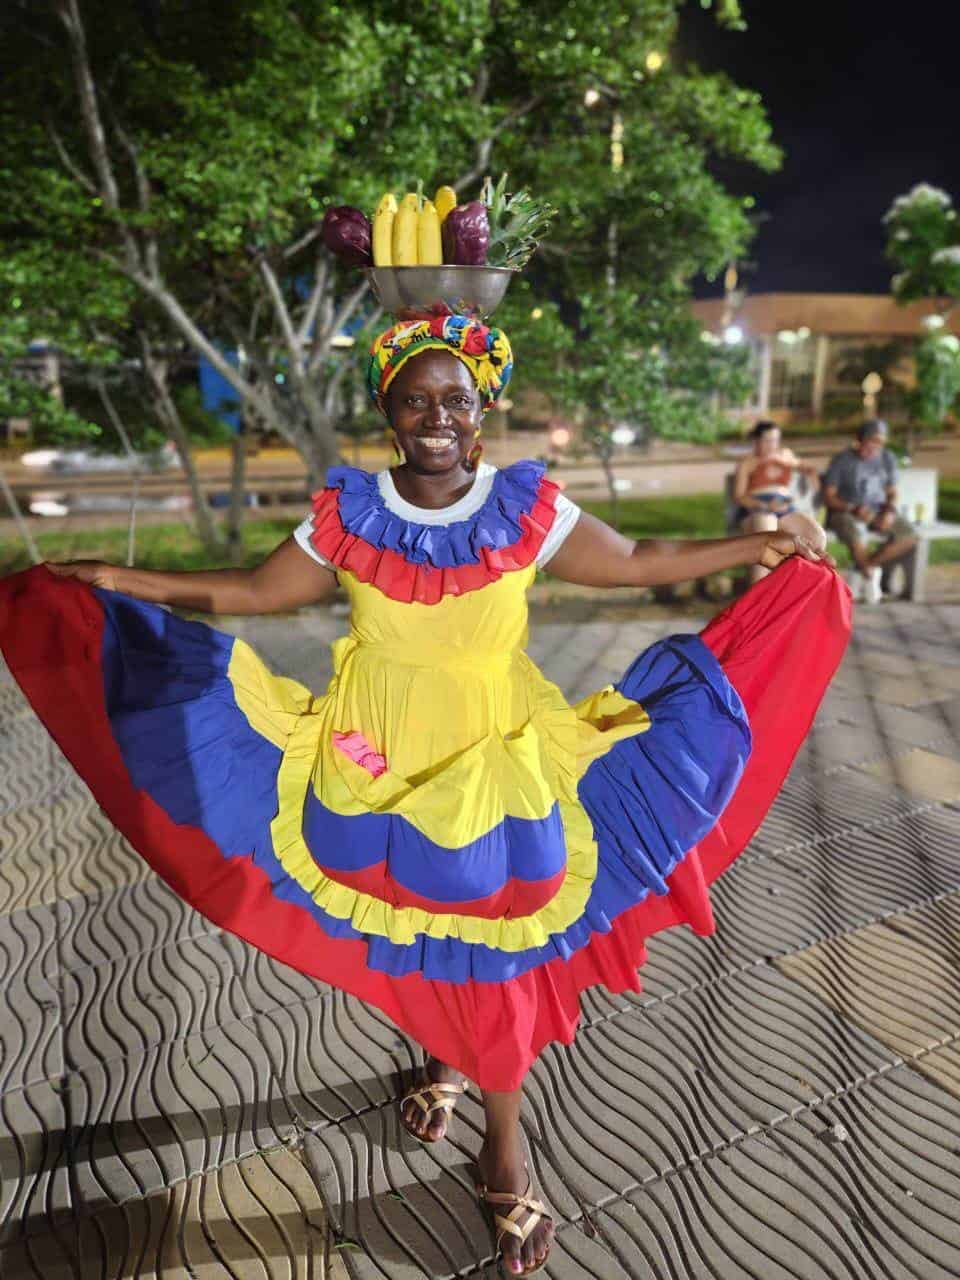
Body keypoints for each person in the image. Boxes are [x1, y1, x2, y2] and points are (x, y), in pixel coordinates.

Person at [0, 316, 850, 1278]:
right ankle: (439, 1058)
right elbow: (254, 590)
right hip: (369, 751)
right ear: (388, 413)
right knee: (411, 914)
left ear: (482, 410)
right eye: (416, 398)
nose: (437, 416)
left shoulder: (525, 507)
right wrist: (125, 577)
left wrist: (760, 542)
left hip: (493, 758)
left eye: (456, 398)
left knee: (491, 946)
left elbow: (643, 558)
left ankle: (505, 1148)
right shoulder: (347, 511)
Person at [822, 419, 918, 604]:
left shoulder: (887, 458)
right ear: (860, 439)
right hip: (845, 512)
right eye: (872, 441)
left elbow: (892, 492)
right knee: (855, 534)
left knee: (910, 536)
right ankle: (870, 579)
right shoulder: (842, 460)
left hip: (877, 511)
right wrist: (853, 508)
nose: (876, 446)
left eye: (880, 442)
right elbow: (829, 496)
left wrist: (889, 512)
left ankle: (864, 569)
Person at [734, 420, 821, 584]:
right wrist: (765, 506)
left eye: (775, 440)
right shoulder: (748, 462)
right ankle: (760, 597)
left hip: (784, 507)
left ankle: (794, 589)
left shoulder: (785, 455)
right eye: (767, 440)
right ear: (756, 441)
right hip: (757, 507)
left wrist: (812, 477)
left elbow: (806, 467)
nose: (772, 445)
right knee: (767, 536)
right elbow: (740, 496)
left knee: (816, 537)